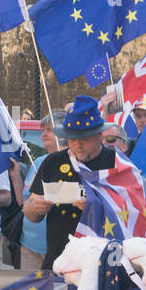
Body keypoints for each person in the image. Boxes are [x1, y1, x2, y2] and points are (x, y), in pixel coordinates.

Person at [23, 96, 121, 270]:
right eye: (71, 138)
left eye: (84, 138)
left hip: (106, 266)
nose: (77, 145)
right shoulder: (52, 162)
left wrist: (97, 207)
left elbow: (133, 216)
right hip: (60, 264)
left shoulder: (118, 165)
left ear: (100, 134)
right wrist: (34, 208)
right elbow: (30, 211)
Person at [19, 113, 60, 271]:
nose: (44, 134)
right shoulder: (37, 163)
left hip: (58, 248)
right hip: (30, 245)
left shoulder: (73, 163)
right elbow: (23, 200)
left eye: (49, 129)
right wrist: (16, 176)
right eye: (43, 129)